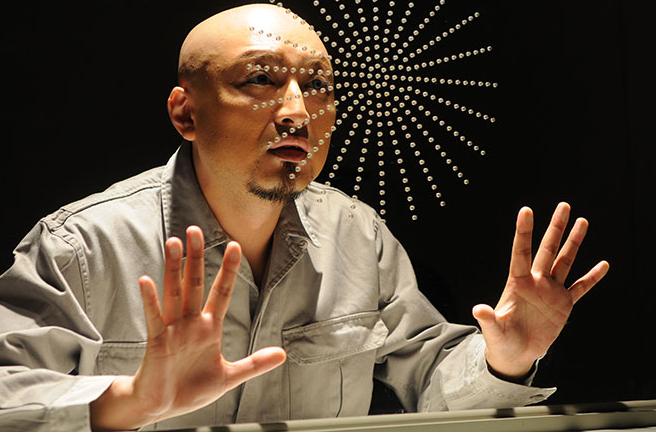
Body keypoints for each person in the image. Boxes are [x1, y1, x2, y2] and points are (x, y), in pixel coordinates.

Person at [0, 3, 609, 431]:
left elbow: (429, 385)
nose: (297, 111)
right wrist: (129, 401)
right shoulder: (81, 247)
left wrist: (507, 357)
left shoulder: (357, 236)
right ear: (186, 113)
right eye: (261, 79)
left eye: (317, 85)